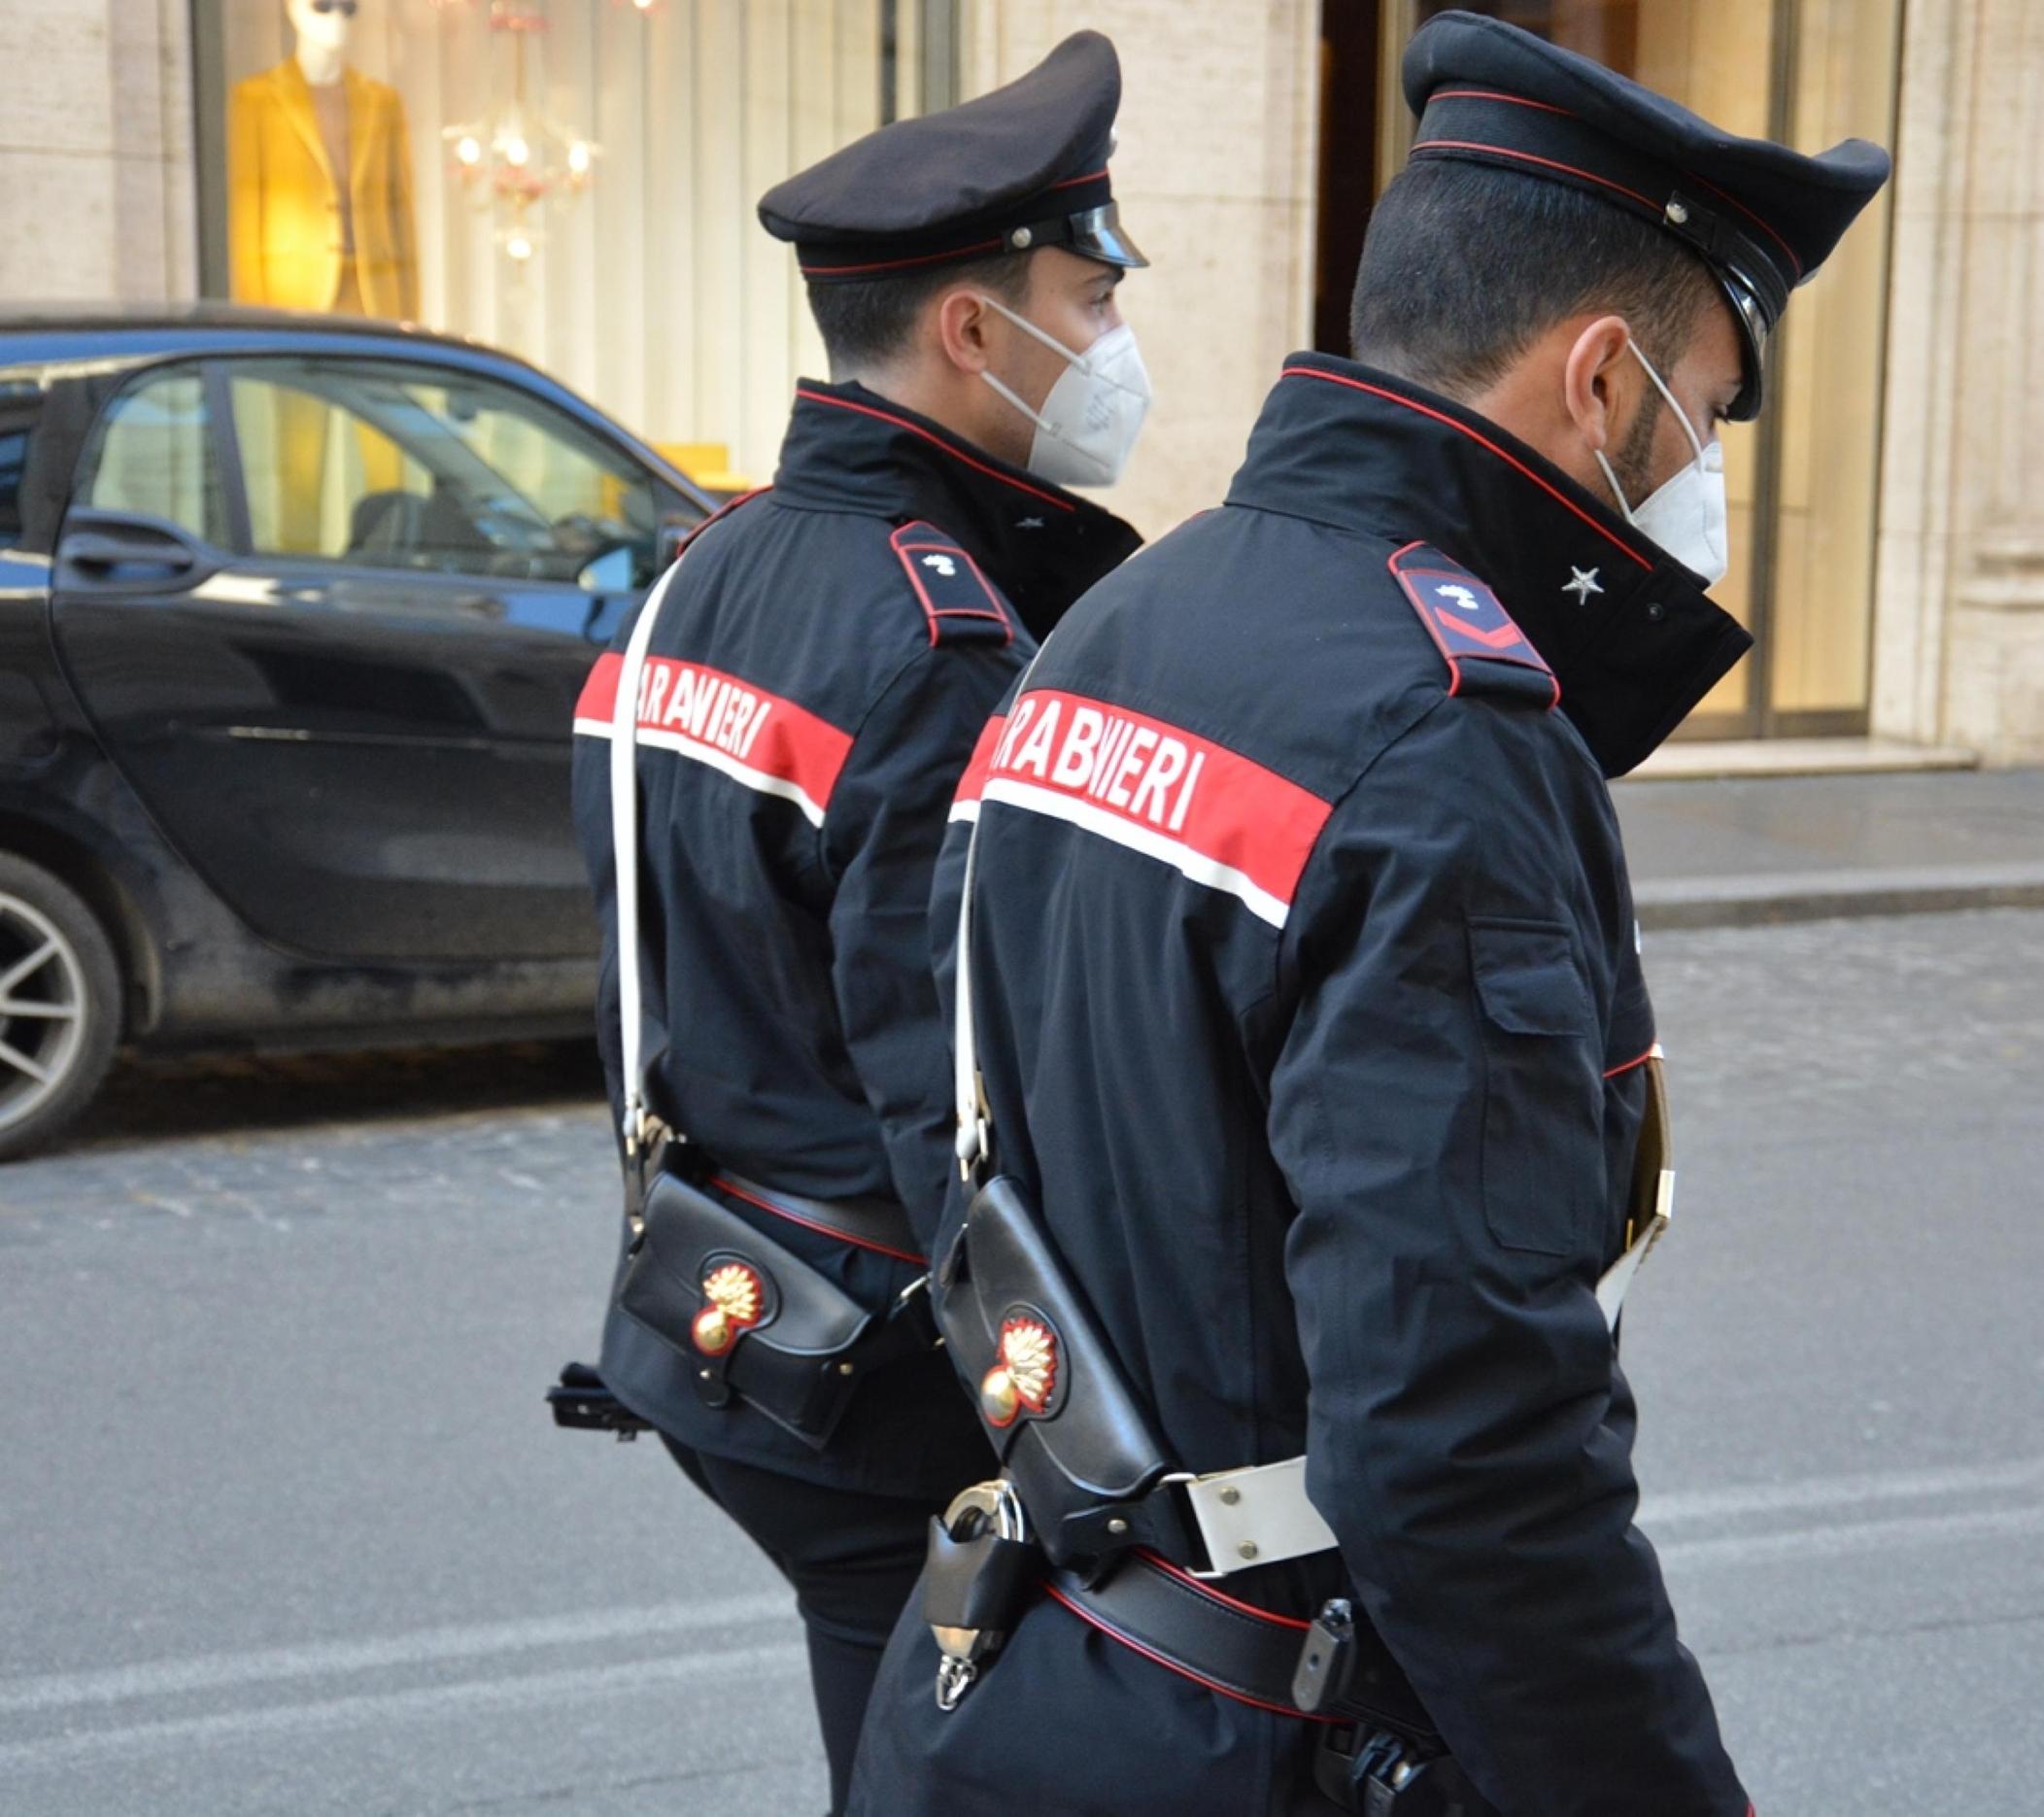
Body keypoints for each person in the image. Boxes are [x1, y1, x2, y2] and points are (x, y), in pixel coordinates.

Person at [847, 13, 1889, 1816]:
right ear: (1603, 378)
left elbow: (961, 1116)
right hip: (1276, 1731)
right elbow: (1464, 1462)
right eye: (1707, 408)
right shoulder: (1441, 737)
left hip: (1035, 1651)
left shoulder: (1128, 617)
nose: (1705, 462)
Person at [566, 32, 1149, 1811]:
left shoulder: (701, 574)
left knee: (890, 1712)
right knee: (947, 1747)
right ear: (975, 333)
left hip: (715, 1303)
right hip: (873, 1369)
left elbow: (646, 954)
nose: (1115, 340)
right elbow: (954, 1093)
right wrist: (1067, 1409)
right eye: (1090, 296)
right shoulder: (933, 637)